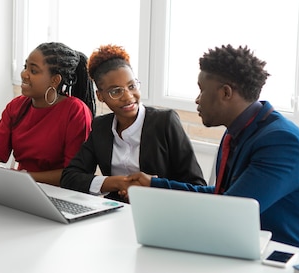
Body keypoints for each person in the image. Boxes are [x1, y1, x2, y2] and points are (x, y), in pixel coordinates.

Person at [127, 45, 299, 253]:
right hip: (246, 249)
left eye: (202, 90)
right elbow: (223, 196)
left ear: (226, 92)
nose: (197, 99)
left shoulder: (281, 141)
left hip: (289, 259)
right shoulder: (238, 131)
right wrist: (155, 185)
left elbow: (231, 212)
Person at [61, 44, 205, 202]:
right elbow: (70, 177)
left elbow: (196, 184)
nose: (128, 96)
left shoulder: (165, 122)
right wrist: (114, 183)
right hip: (116, 211)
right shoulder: (101, 126)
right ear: (100, 96)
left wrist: (153, 187)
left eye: (132, 86)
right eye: (115, 91)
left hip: (161, 209)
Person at [0, 42, 96, 186]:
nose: (24, 74)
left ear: (55, 80)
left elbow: (73, 175)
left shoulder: (76, 111)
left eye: (33, 70)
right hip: (22, 188)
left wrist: (23, 177)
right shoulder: (17, 106)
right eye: (25, 67)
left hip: (59, 194)